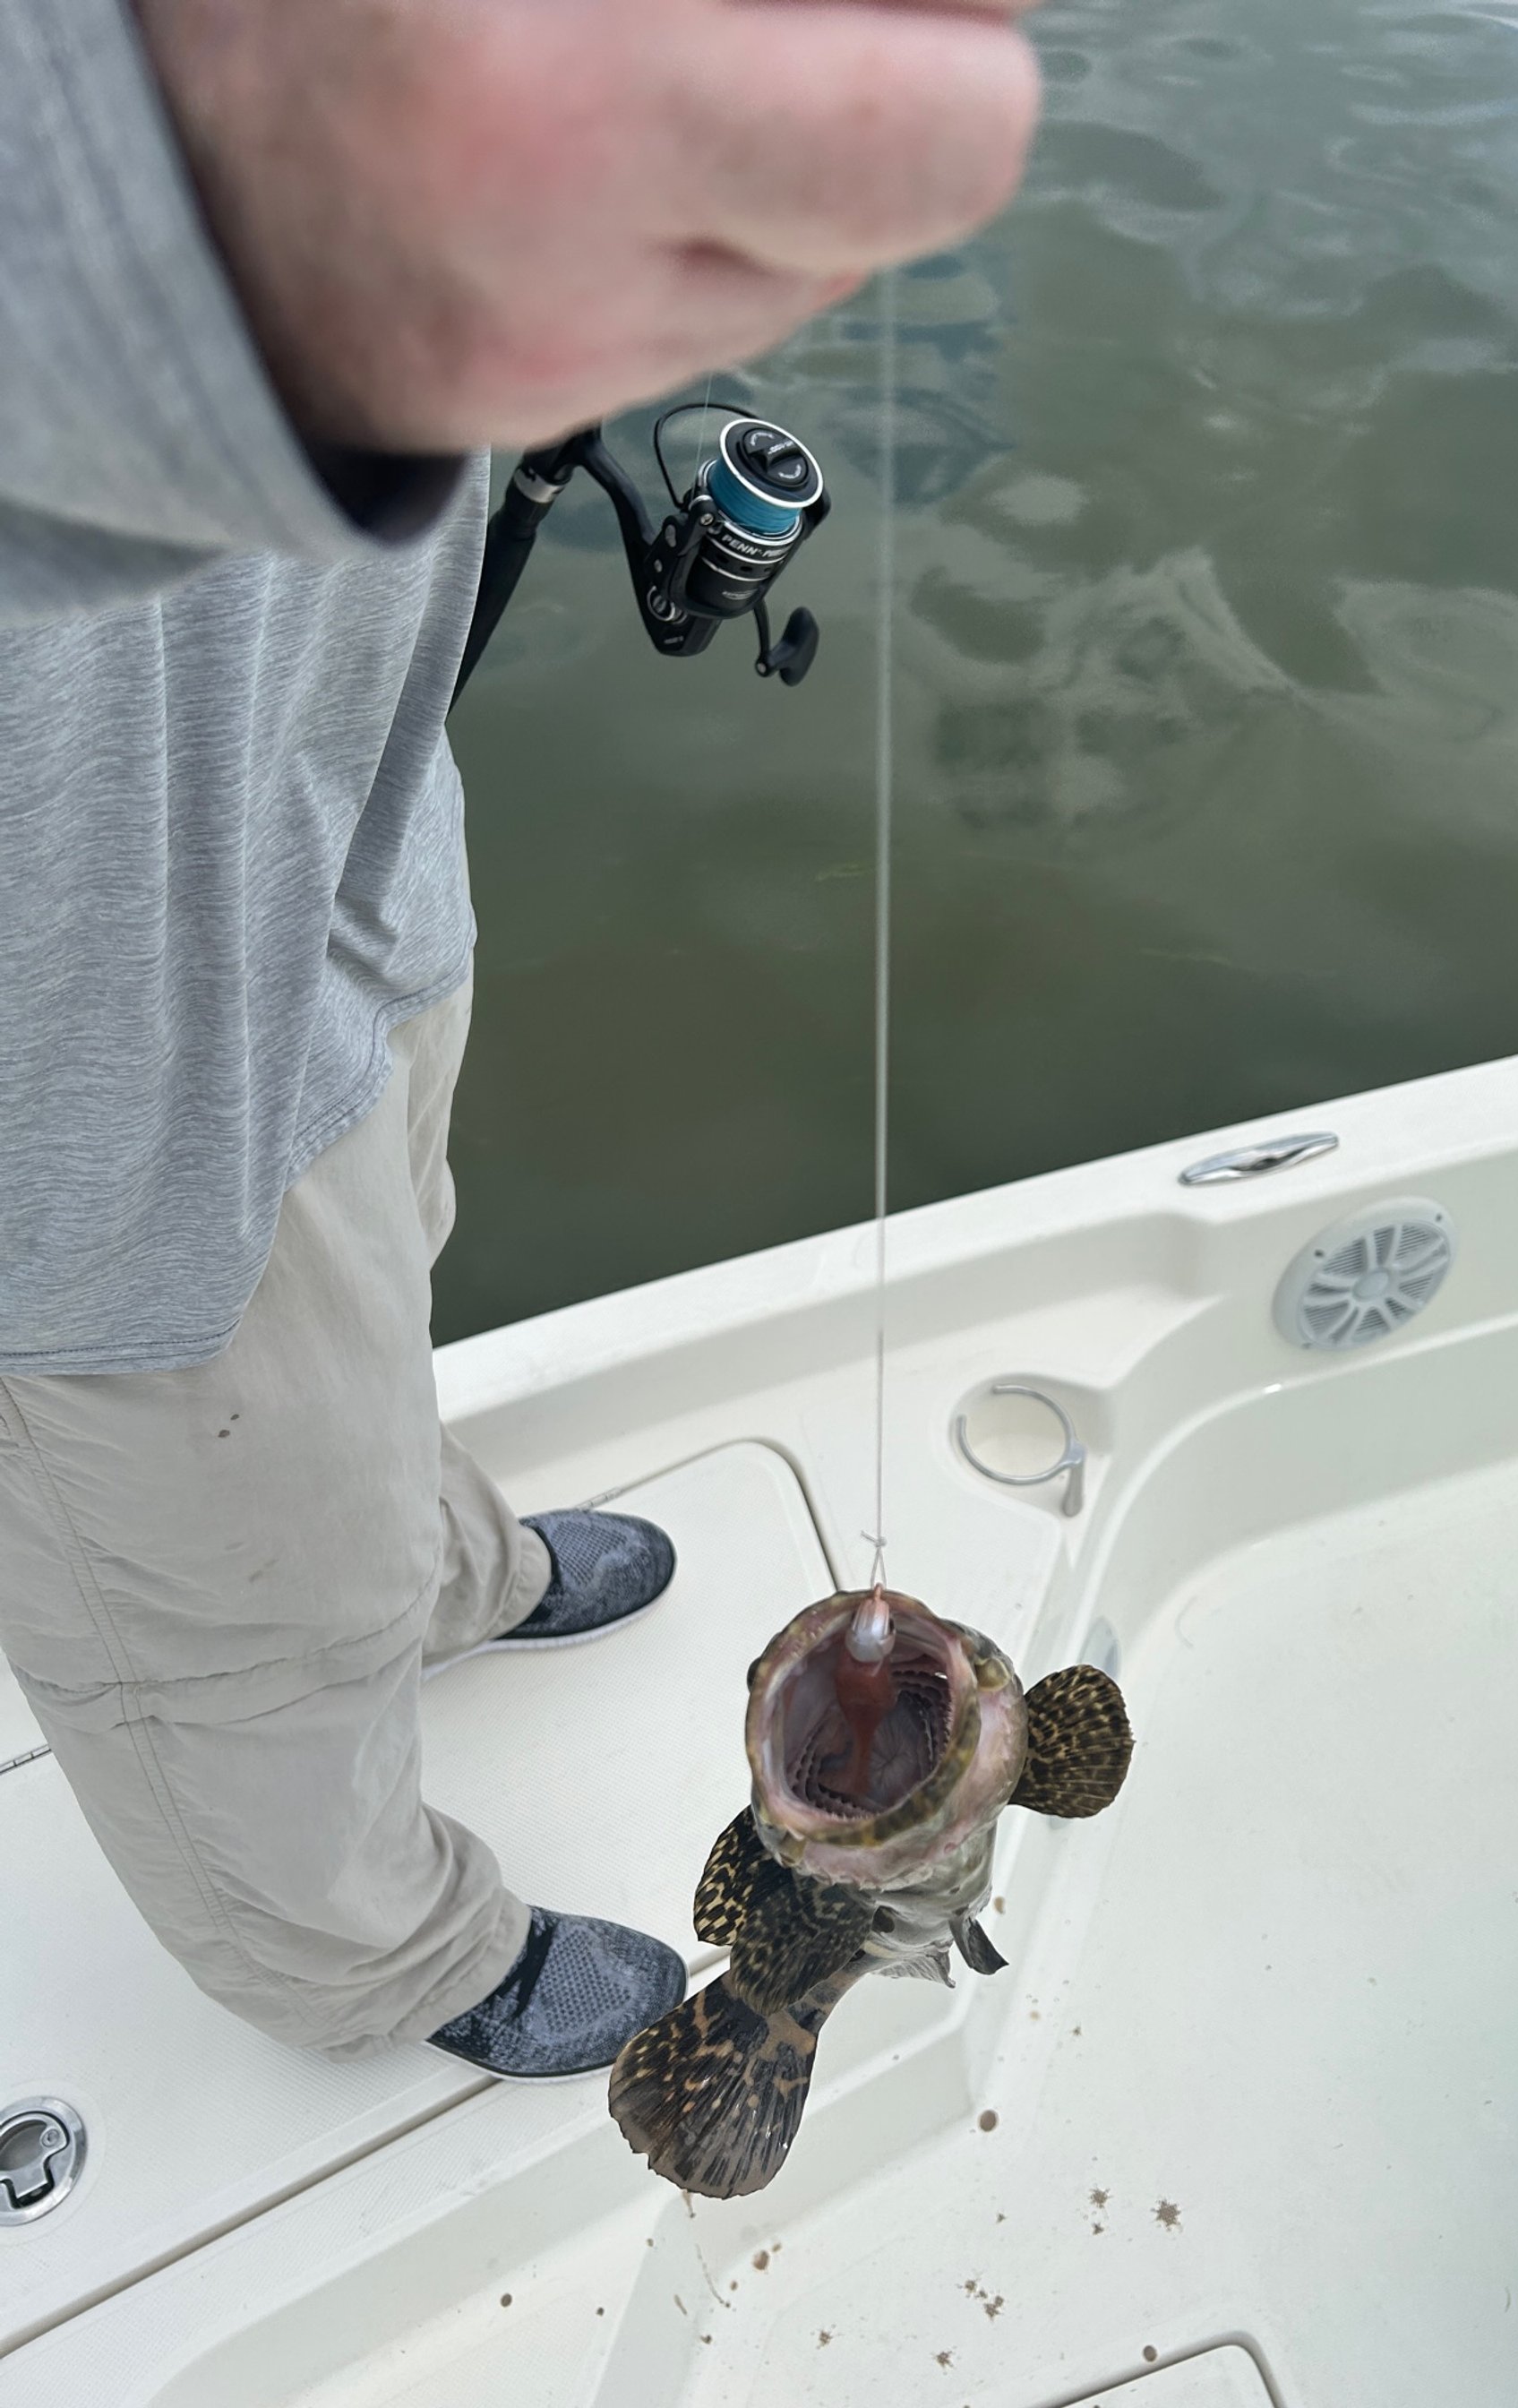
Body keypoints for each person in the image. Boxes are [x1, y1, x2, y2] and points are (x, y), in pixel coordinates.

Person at [0, 0, 1038, 2078]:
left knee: (376, 1257)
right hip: (79, 985)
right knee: (222, 1545)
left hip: (333, 765)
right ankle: (377, 1959)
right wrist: (203, 165)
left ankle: (430, 1565)